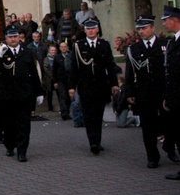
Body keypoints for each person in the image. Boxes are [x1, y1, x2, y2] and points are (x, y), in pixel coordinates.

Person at [0, 26, 44, 162]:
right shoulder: (1, 52)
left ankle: (22, 151)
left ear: (19, 38)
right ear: (6, 38)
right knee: (9, 123)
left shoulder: (27, 52)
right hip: (7, 95)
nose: (13, 39)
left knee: (24, 124)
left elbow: (33, 74)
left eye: (15, 36)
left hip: (24, 94)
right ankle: (9, 145)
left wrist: (39, 92)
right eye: (10, 37)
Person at [69, 18, 119, 155]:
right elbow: (74, 67)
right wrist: (72, 86)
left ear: (97, 30)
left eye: (93, 28)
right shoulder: (79, 46)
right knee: (88, 115)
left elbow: (110, 65)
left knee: (98, 114)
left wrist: (114, 84)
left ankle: (98, 140)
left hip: (101, 85)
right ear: (85, 31)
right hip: (85, 86)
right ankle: (93, 142)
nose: (90, 31)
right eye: (88, 29)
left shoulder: (104, 45)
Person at [124, 15, 166, 168]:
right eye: (139, 29)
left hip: (163, 92)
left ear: (153, 28)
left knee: (169, 123)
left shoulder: (164, 45)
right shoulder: (134, 49)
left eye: (144, 28)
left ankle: (169, 147)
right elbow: (129, 72)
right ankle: (152, 156)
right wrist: (129, 92)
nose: (141, 31)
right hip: (144, 93)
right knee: (148, 127)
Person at [162, 7, 180, 181]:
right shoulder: (172, 41)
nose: (164, 23)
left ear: (174, 20)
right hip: (175, 96)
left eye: (165, 19)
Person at [53, 41, 73, 121]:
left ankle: (67, 112)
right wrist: (55, 81)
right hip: (61, 80)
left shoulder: (71, 56)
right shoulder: (57, 57)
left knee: (68, 97)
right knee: (62, 96)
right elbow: (54, 70)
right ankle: (64, 112)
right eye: (62, 47)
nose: (63, 48)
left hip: (69, 79)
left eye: (65, 46)